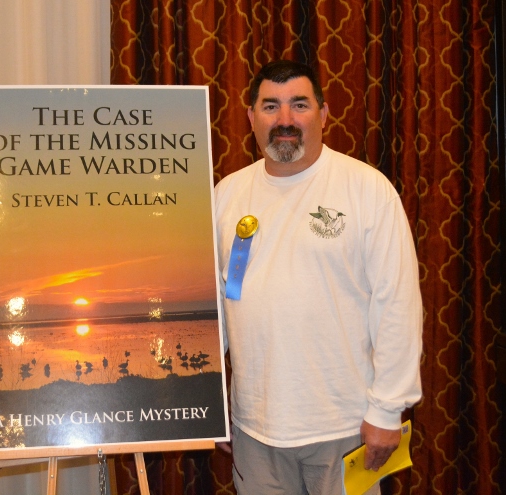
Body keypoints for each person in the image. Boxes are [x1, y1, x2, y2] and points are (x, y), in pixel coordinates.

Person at [214, 60, 422, 494]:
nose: (285, 120)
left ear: (324, 115)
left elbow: (397, 305)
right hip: (255, 429)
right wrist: (210, 405)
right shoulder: (227, 195)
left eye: (299, 105)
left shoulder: (367, 190)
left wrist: (387, 411)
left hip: (345, 426)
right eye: (271, 106)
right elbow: (215, 307)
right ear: (250, 117)